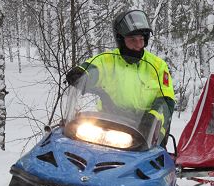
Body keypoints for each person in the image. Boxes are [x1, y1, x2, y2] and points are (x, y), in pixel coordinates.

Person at [66, 9, 175, 145]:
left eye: (141, 39)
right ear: (121, 40)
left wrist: (152, 118)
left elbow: (167, 99)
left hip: (148, 131)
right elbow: (92, 68)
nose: (138, 45)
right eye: (132, 40)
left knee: (155, 162)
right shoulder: (107, 60)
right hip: (110, 125)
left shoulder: (158, 66)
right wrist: (81, 74)